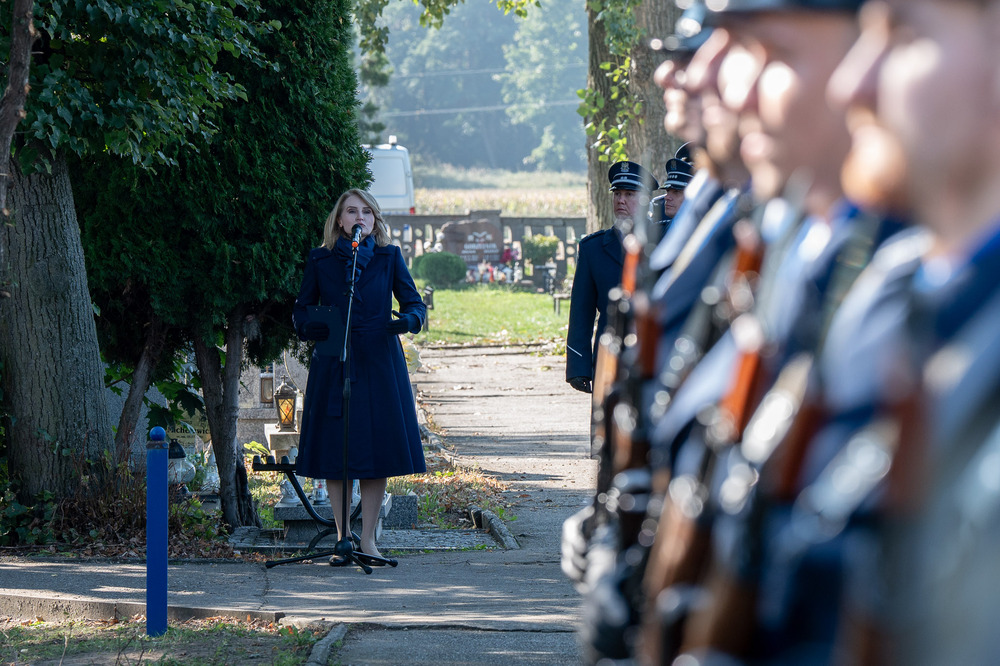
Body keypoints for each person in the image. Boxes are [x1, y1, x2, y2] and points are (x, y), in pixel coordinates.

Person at [292, 188, 427, 563]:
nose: (359, 218)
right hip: (334, 361)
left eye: (366, 212)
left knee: (374, 450)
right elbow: (301, 311)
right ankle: (343, 538)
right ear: (340, 220)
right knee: (337, 450)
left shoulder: (389, 257)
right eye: (352, 211)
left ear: (374, 220)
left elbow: (414, 303)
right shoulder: (320, 260)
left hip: (379, 360)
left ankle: (368, 539)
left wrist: (408, 321)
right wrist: (311, 328)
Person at [565, 160, 657, 394]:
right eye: (617, 194)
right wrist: (578, 366)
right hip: (609, 355)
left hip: (653, 354)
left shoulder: (663, 242)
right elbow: (581, 313)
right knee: (604, 425)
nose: (621, 200)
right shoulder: (593, 249)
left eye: (629, 194)